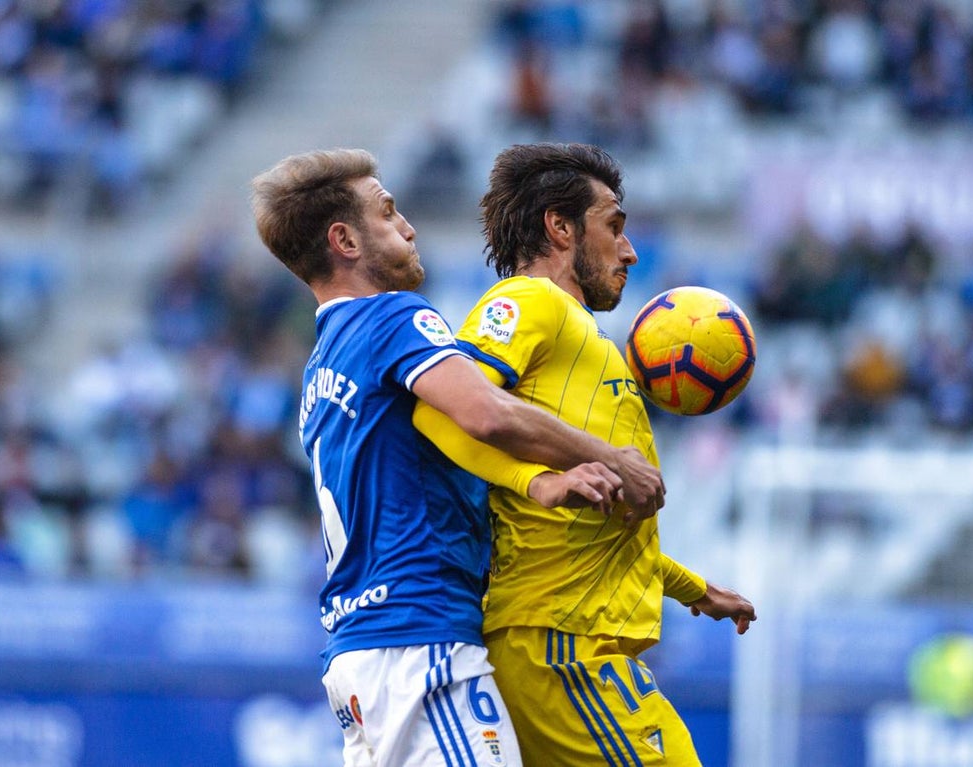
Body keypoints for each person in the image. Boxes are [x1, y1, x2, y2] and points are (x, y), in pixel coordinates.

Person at [249, 148, 667, 767]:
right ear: (345, 241)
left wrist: (536, 484)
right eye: (388, 213)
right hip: (420, 641)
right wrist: (614, 459)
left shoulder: (322, 366)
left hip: (360, 651)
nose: (409, 227)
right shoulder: (392, 316)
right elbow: (485, 412)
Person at [413, 143, 757, 765]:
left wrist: (694, 589)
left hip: (573, 641)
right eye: (615, 227)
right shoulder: (529, 301)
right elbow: (439, 410)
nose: (629, 251)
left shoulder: (589, 346)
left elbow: (598, 525)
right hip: (560, 642)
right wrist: (533, 480)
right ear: (561, 227)